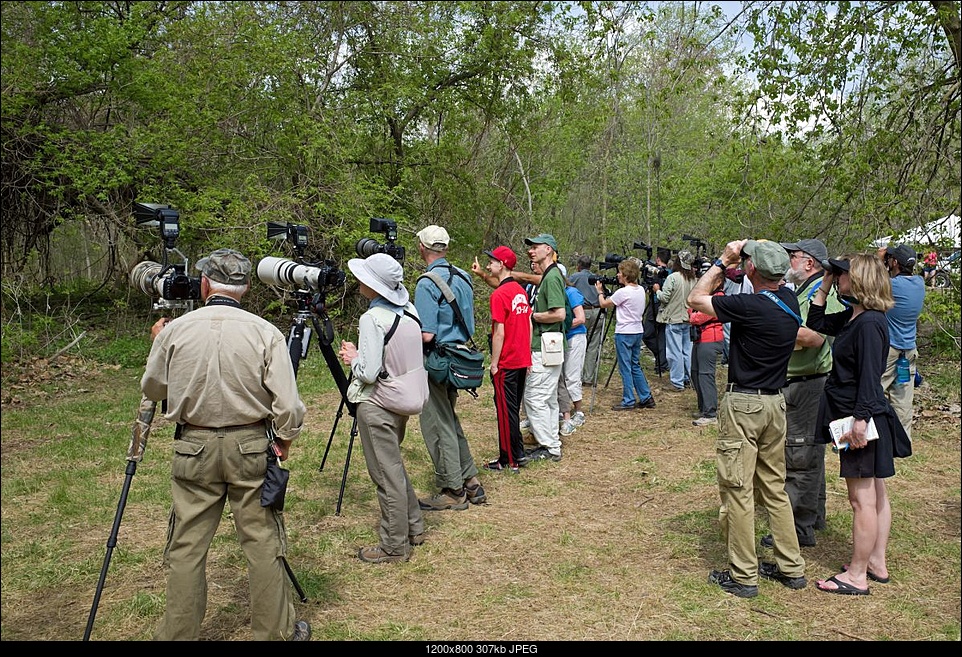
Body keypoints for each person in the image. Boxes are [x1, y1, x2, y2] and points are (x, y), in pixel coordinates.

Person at [141, 248, 311, 641]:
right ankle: (274, 634)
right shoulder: (265, 331)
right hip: (251, 445)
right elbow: (288, 404)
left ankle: (177, 635)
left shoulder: (175, 330)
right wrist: (284, 437)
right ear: (246, 287)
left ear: (204, 285)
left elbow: (153, 387)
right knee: (262, 542)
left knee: (186, 548)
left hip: (193, 448)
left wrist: (159, 342)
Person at [688, 239, 807, 599]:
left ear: (750, 269)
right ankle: (791, 567)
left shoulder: (749, 305)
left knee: (738, 490)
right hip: (775, 404)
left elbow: (695, 299)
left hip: (744, 405)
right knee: (774, 488)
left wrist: (722, 262)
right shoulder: (788, 301)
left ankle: (744, 576)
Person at [806, 254, 911, 595]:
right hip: (860, 414)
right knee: (876, 491)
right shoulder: (858, 317)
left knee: (861, 499)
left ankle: (857, 575)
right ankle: (875, 562)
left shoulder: (869, 325)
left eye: (841, 274)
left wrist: (860, 424)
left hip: (858, 417)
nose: (837, 279)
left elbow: (870, 379)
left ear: (860, 279)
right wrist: (822, 285)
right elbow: (816, 322)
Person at [338, 253, 428, 563]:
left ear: (373, 285)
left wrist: (354, 357)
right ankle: (414, 527)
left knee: (385, 475)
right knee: (394, 468)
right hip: (402, 399)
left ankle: (393, 545)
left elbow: (368, 372)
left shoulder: (372, 318)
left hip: (378, 404)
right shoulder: (410, 310)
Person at [756, 239, 843, 550]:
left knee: (799, 454)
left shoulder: (824, 292)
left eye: (792, 257)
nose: (786, 262)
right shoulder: (806, 290)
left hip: (809, 384)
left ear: (809, 263)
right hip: (801, 380)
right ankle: (813, 516)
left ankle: (797, 527)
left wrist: (770, 329)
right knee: (807, 453)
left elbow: (817, 337)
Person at [413, 225, 486, 510]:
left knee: (436, 423)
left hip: (436, 360)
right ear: (445, 248)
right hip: (459, 358)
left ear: (422, 247)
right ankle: (471, 482)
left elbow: (426, 334)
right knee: (450, 420)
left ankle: (453, 489)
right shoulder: (464, 276)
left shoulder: (427, 283)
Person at [477, 246, 531, 473]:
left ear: (503, 265)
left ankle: (509, 459)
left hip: (507, 361)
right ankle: (516, 453)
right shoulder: (520, 291)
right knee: (513, 408)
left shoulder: (499, 294)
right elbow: (528, 324)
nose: (489, 266)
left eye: (492, 262)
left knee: (505, 410)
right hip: (520, 358)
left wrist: (494, 363)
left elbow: (499, 332)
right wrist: (527, 357)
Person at [521, 233, 566, 462]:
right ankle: (551, 444)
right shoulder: (550, 275)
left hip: (544, 346)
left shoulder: (552, 277)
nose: (531, 251)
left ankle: (548, 446)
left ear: (548, 249)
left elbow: (559, 313)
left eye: (535, 247)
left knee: (534, 397)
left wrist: (532, 315)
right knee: (547, 398)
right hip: (549, 346)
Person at [596, 258, 656, 411]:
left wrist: (600, 292)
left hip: (624, 332)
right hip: (637, 330)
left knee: (625, 367)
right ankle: (645, 396)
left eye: (620, 273)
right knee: (635, 365)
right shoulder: (641, 289)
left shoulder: (623, 292)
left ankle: (628, 399)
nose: (617, 275)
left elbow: (604, 304)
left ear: (626, 275)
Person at [879, 244, 924, 441]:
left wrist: (878, 259)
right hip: (909, 350)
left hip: (889, 349)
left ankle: (870, 434)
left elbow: (869, 281)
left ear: (894, 262)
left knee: (872, 391)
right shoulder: (919, 283)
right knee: (903, 400)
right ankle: (902, 440)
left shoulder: (891, 285)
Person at [653, 250, 696, 391]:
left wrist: (657, 290)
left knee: (674, 352)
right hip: (688, 319)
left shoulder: (673, 277)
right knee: (687, 351)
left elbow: (665, 298)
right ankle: (688, 378)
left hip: (674, 318)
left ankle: (677, 382)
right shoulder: (693, 279)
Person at [687, 267, 725, 426]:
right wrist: (693, 311)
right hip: (700, 339)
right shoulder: (707, 297)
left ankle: (710, 413)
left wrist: (693, 312)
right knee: (695, 373)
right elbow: (690, 307)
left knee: (705, 375)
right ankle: (703, 407)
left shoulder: (718, 298)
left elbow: (697, 318)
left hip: (711, 340)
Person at [560, 264, 588, 431]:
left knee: (572, 375)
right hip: (562, 339)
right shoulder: (556, 292)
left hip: (575, 337)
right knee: (561, 376)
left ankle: (578, 411)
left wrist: (561, 325)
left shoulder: (571, 293)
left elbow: (581, 318)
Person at [569, 254, 602, 386]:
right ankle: (588, 377)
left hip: (583, 312)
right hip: (598, 311)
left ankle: (575, 375)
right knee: (593, 346)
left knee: (579, 344)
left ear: (578, 266)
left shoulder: (574, 277)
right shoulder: (596, 278)